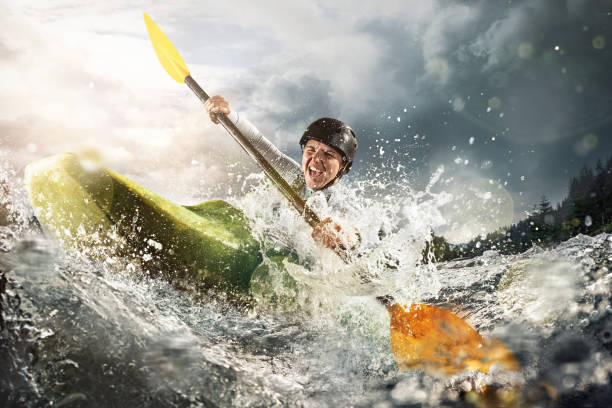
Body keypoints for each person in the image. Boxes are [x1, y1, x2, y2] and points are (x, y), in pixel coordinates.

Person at [204, 95, 360, 256]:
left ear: (344, 166)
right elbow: (256, 142)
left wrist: (343, 237)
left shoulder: (339, 204)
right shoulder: (292, 174)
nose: (316, 158)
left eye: (328, 154)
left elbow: (353, 233)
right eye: (311, 150)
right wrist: (229, 115)